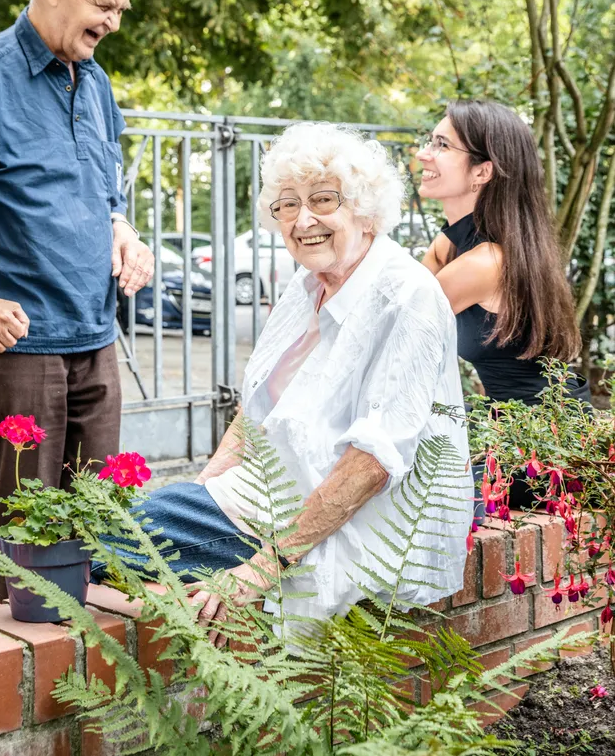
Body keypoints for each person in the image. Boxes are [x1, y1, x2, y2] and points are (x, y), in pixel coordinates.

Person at [93, 123, 472, 643]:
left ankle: (183, 602)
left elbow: (372, 462)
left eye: (322, 200)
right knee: (79, 540)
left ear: (363, 209)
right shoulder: (305, 284)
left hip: (309, 528)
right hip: (250, 506)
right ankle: (180, 602)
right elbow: (254, 413)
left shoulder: (406, 296)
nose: (303, 220)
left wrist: (258, 572)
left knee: (76, 551)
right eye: (287, 205)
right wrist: (199, 493)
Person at [0, 0, 155, 600]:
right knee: (19, 548)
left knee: (98, 533)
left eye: (119, 10)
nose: (112, 24)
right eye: (104, 6)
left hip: (97, 337)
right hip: (23, 344)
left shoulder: (96, 85)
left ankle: (85, 683)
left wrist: (124, 231)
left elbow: (103, 189)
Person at [416, 100, 589, 503]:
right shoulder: (463, 243)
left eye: (442, 145)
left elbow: (395, 328)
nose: (424, 153)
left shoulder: (484, 262)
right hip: (521, 435)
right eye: (430, 141)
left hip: (541, 455)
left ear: (482, 171)